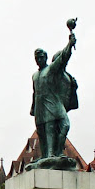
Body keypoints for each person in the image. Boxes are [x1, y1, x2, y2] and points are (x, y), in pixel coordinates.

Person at [30, 30, 77, 160]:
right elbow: (35, 92)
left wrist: (70, 44)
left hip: (53, 104)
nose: (39, 60)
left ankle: (54, 152)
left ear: (45, 58)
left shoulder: (50, 70)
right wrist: (32, 108)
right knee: (43, 132)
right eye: (37, 58)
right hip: (40, 107)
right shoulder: (34, 76)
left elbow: (62, 58)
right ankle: (47, 155)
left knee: (63, 125)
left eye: (41, 57)